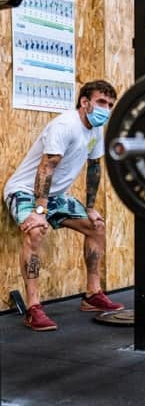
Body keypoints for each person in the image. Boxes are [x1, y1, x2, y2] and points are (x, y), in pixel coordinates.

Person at [3, 79, 124, 332]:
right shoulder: (65, 125)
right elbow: (46, 167)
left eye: (110, 104)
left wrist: (90, 208)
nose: (107, 108)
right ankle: (33, 308)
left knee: (96, 227)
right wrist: (39, 211)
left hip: (56, 195)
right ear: (84, 102)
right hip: (25, 191)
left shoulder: (95, 131)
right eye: (102, 102)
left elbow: (94, 167)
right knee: (35, 231)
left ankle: (92, 294)